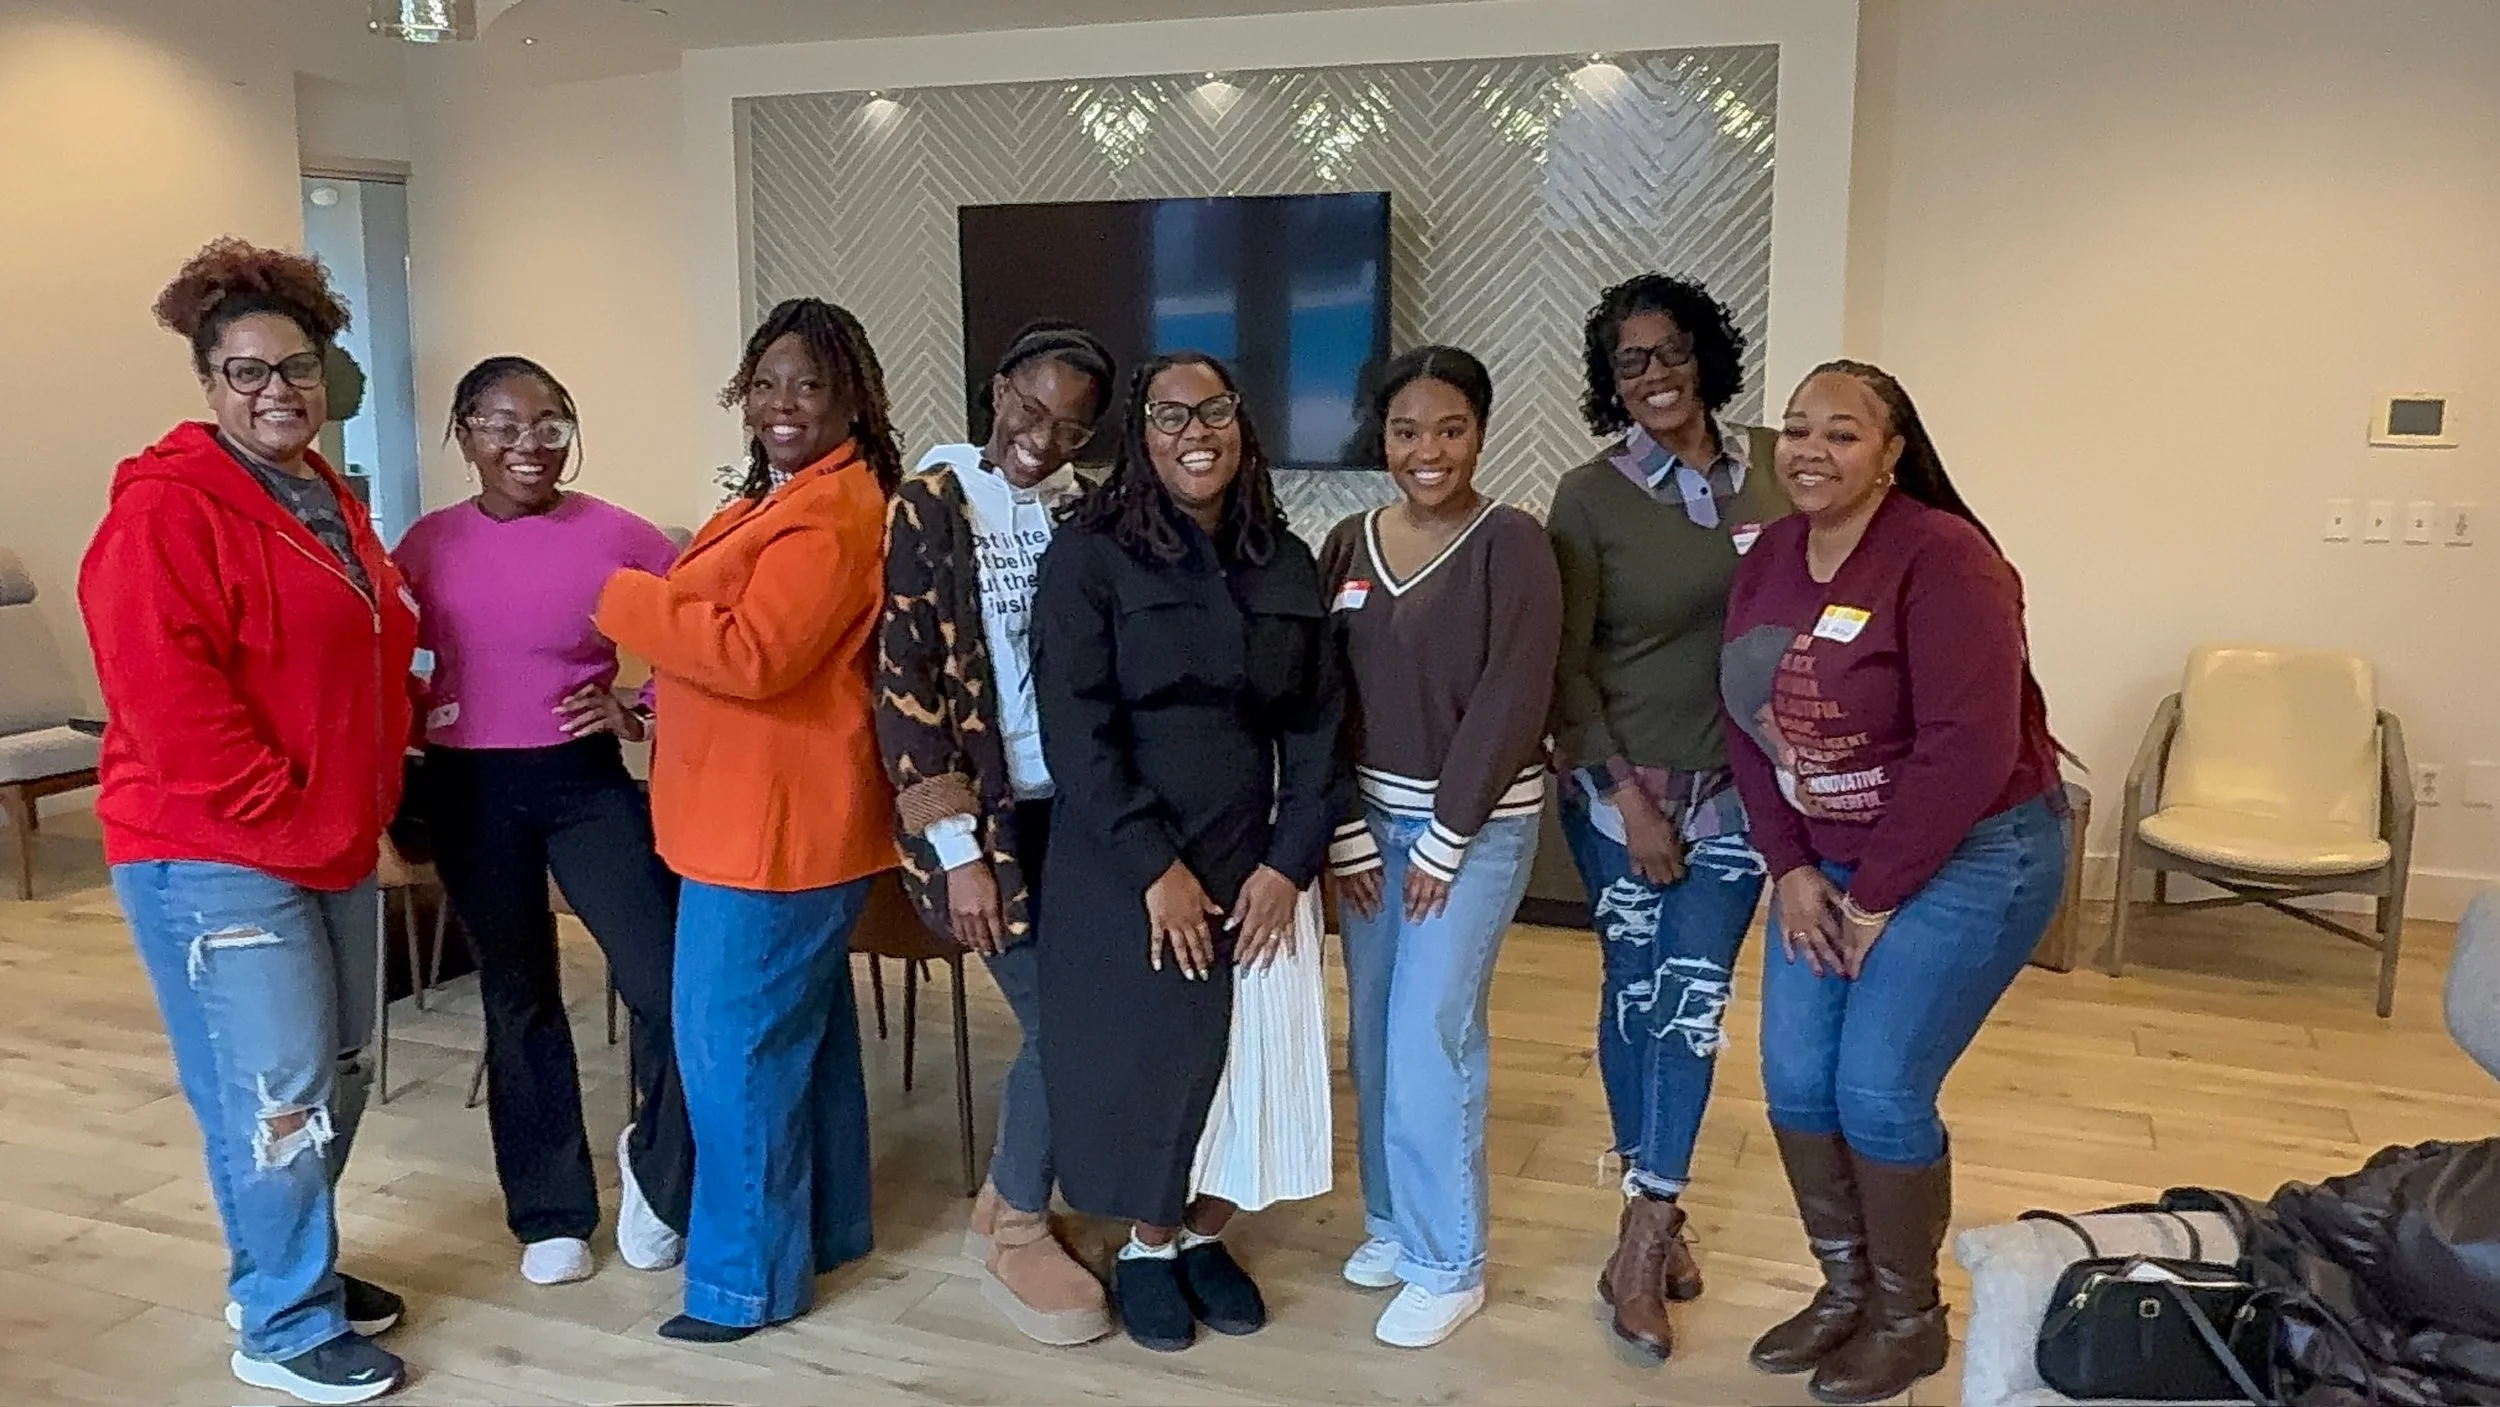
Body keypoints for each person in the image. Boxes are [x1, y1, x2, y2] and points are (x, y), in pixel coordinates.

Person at [79, 237, 417, 1404]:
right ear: (208, 381)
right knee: (274, 1093)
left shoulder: (324, 493)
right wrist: (284, 800)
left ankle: (288, 1264)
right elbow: (165, 695)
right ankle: (278, 1321)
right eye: (247, 371)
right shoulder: (169, 510)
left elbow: (360, 646)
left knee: (339, 1070)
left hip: (325, 834)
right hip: (214, 848)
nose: (279, 391)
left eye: (298, 367)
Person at [1720, 360, 2067, 1405]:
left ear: (1890, 455)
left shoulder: (1945, 557)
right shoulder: (1773, 550)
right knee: (1793, 1079)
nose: (1810, 452)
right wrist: (1787, 866)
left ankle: (1909, 1320)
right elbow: (1745, 715)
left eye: (1841, 434)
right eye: (1797, 431)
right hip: (1823, 857)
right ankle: (1847, 1291)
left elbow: (1970, 747)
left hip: (1973, 853)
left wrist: (1873, 894)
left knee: (1876, 1087)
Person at [593, 297, 904, 1343]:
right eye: (765, 383)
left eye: (806, 385)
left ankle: (740, 1287)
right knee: (796, 1048)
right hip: (753, 820)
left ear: (848, 398)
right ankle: (824, 1232)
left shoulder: (831, 514)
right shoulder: (792, 496)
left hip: (773, 834)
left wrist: (625, 596)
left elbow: (752, 656)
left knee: (733, 1061)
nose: (781, 404)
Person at [1030, 352, 1346, 1354]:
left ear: (1242, 425)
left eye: (1211, 411)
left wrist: (1287, 863)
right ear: (1141, 433)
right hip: (1129, 854)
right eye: (1169, 416)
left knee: (1257, 1061)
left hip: (1257, 855)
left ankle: (1211, 1234)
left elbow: (1318, 727)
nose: (1193, 432)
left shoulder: (1282, 558)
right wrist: (1152, 869)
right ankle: (1148, 1246)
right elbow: (1074, 730)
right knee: (1156, 1061)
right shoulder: (1089, 554)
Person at [395, 356, 691, 1288]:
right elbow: (382, 660)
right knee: (518, 994)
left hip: (583, 783)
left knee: (665, 980)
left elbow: (712, 632)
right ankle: (551, 1209)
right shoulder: (425, 544)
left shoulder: (618, 532)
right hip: (469, 788)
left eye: (550, 423)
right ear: (464, 432)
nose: (529, 444)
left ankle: (660, 1174)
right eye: (503, 424)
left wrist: (637, 707)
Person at [1546, 272, 1789, 1359]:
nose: (1654, 375)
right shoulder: (1586, 497)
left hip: (1740, 791)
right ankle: (1657, 1211)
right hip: (1622, 797)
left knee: (1690, 1001)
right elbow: (1566, 666)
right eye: (1630, 361)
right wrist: (1630, 800)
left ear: (1706, 356)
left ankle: (1641, 1238)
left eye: (1672, 352)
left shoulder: (1779, 469)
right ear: (1611, 382)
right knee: (1636, 993)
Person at [874, 322, 1117, 1345]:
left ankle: (1009, 1196)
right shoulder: (931, 503)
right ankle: (1015, 1226)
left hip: (1079, 807)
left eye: (1069, 424)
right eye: (1029, 407)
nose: (1040, 435)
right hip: (989, 821)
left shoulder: (1079, 511)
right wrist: (959, 853)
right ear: (999, 388)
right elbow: (904, 689)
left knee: (1089, 1012)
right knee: (1061, 1022)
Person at [1319, 346, 1561, 1348]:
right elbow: (1317, 695)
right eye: (1408, 431)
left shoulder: (1512, 544)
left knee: (1431, 1037)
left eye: (1450, 429)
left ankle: (1448, 1260)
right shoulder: (1344, 543)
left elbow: (1514, 697)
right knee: (1374, 1034)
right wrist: (1340, 827)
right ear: (1381, 438)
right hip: (1366, 831)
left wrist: (1447, 838)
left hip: (1474, 827)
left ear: (1481, 433)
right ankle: (1393, 1222)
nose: (1430, 451)